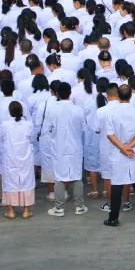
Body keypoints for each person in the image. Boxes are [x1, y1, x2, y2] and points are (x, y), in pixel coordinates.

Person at [103, 84, 135, 226]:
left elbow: (110, 134)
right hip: (134, 151)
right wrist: (129, 147)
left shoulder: (111, 113)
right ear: (131, 95)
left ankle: (113, 218)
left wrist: (123, 147)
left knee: (117, 184)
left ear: (118, 96)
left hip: (118, 151)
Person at [45, 82, 88, 217]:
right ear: (70, 93)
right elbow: (84, 129)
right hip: (75, 147)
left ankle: (59, 207)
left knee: (59, 177)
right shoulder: (78, 110)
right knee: (76, 176)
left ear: (57, 93)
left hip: (59, 148)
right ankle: (79, 206)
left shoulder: (52, 109)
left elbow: (48, 128)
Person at [0, 100, 35, 219]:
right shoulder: (28, 124)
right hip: (25, 157)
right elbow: (32, 139)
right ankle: (26, 210)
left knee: (10, 182)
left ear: (10, 112)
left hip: (10, 158)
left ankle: (10, 210)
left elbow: (0, 142)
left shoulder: (5, 125)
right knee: (26, 181)